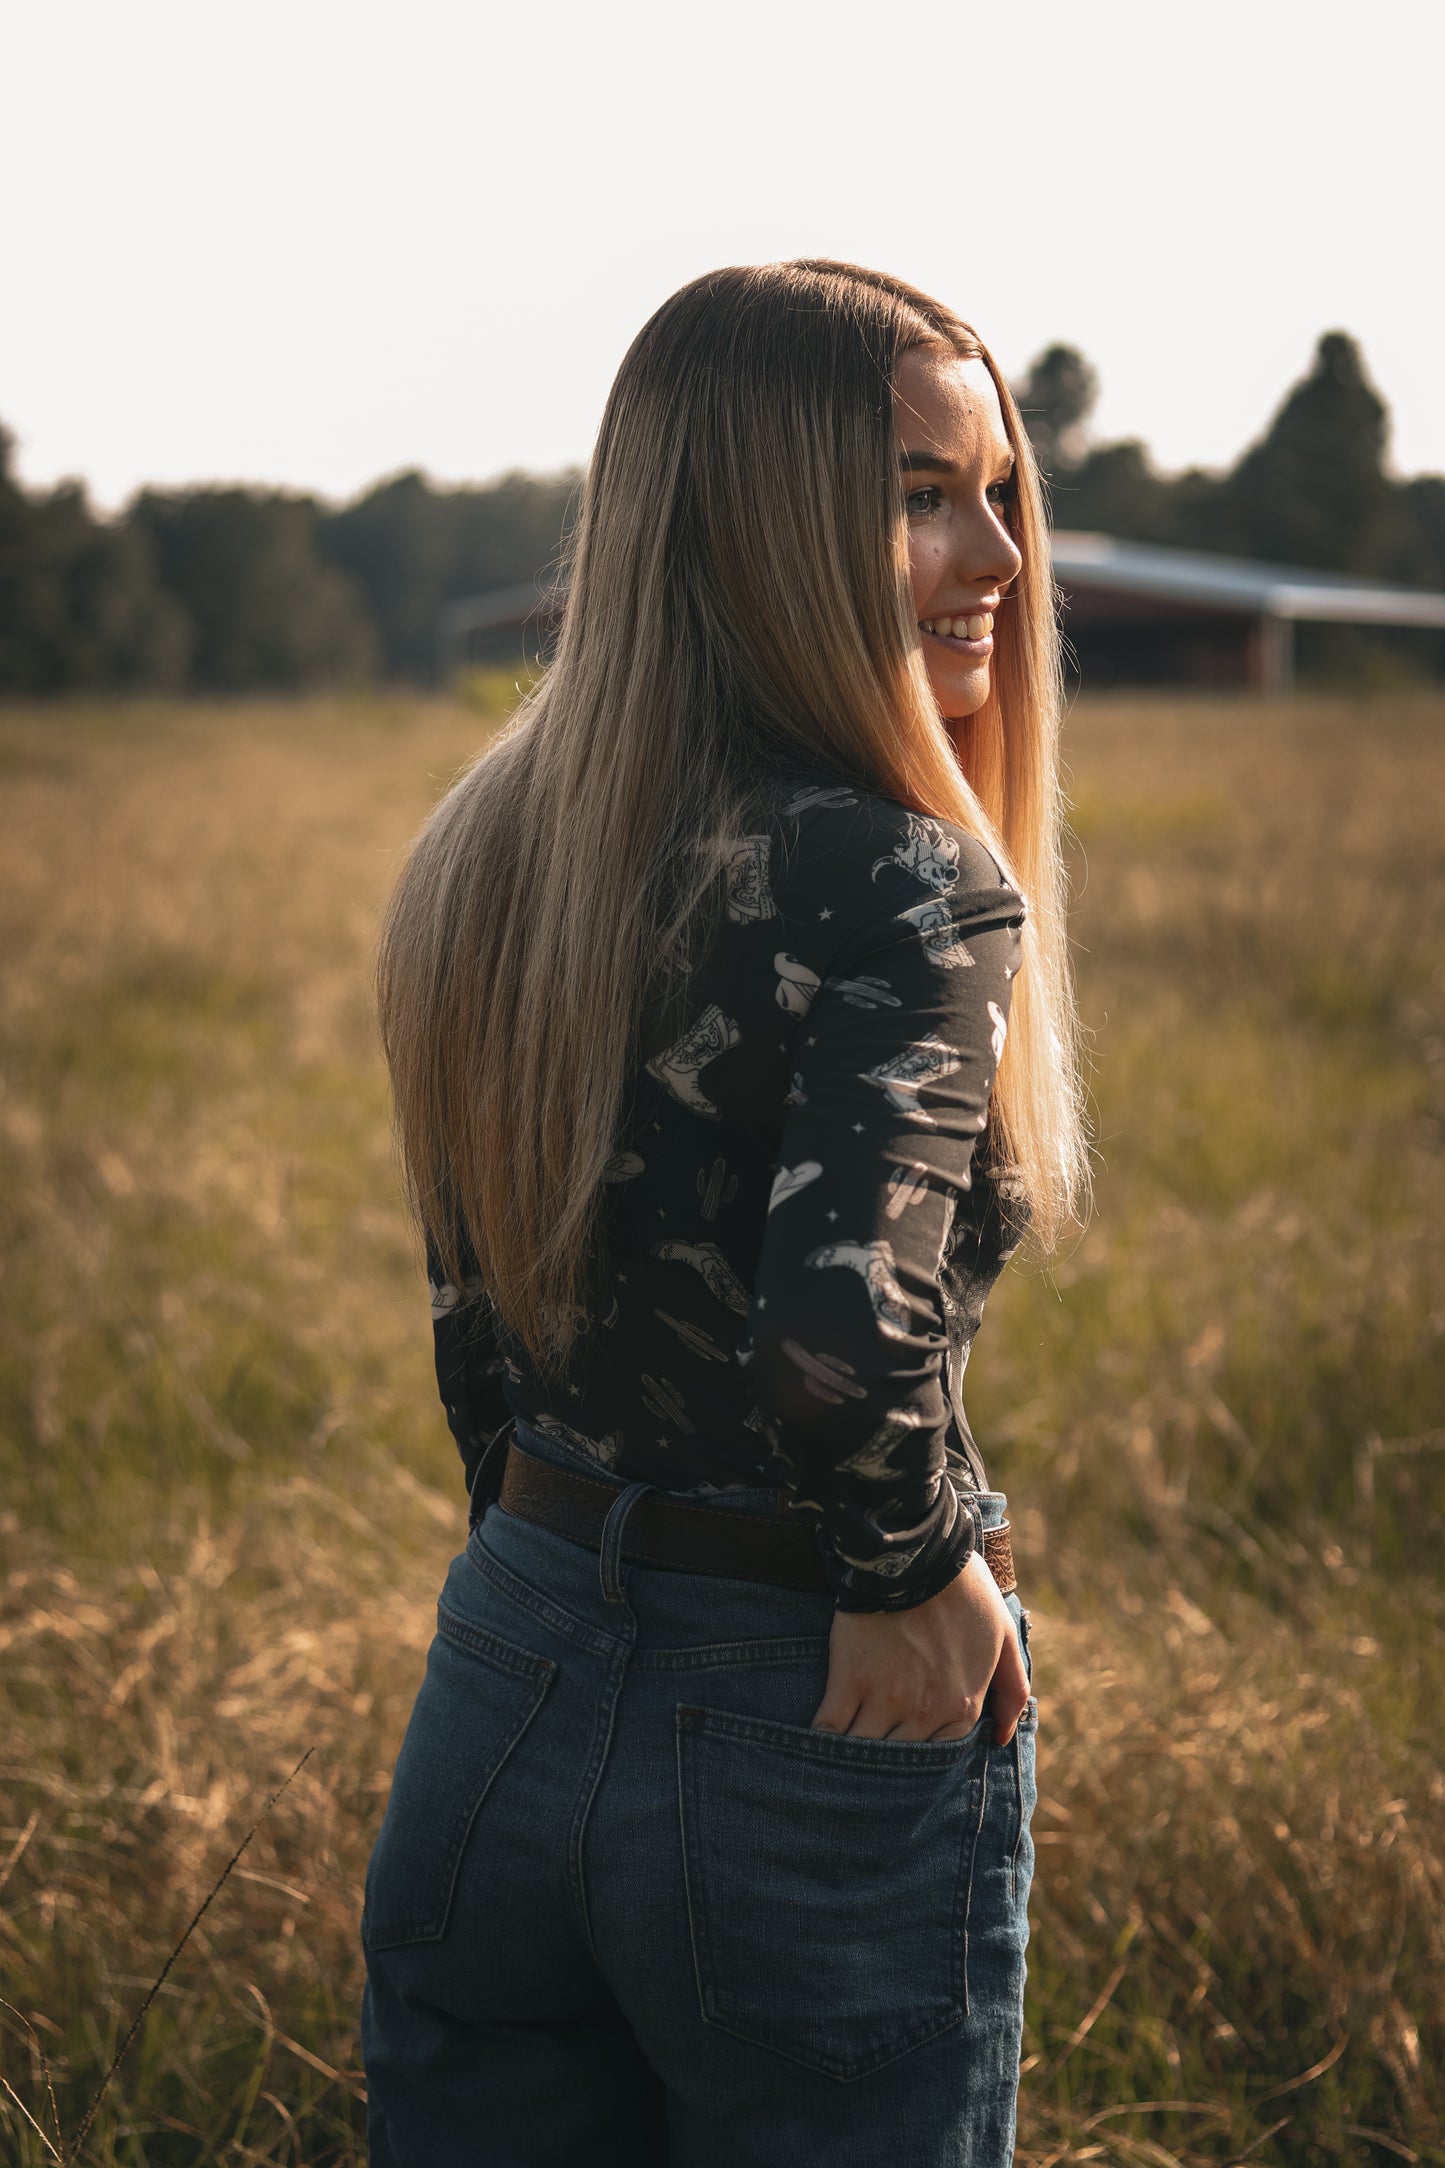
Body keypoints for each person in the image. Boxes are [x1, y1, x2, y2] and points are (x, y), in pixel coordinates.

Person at [361, 259, 1090, 2168]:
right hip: (809, 1700)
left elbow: (475, 1318)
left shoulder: (488, 846)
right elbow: (836, 1354)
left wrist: (545, 1593)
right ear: (756, 528)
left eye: (1000, 488)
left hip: (506, 1665)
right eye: (919, 493)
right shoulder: (906, 883)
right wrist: (912, 1569)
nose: (996, 555)